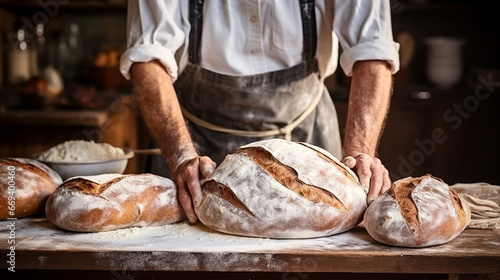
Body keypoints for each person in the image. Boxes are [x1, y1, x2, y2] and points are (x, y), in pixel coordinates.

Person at [120, 0, 400, 224]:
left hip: (307, 140)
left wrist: (360, 150)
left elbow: (372, 49)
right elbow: (148, 56)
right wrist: (181, 155)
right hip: (195, 148)